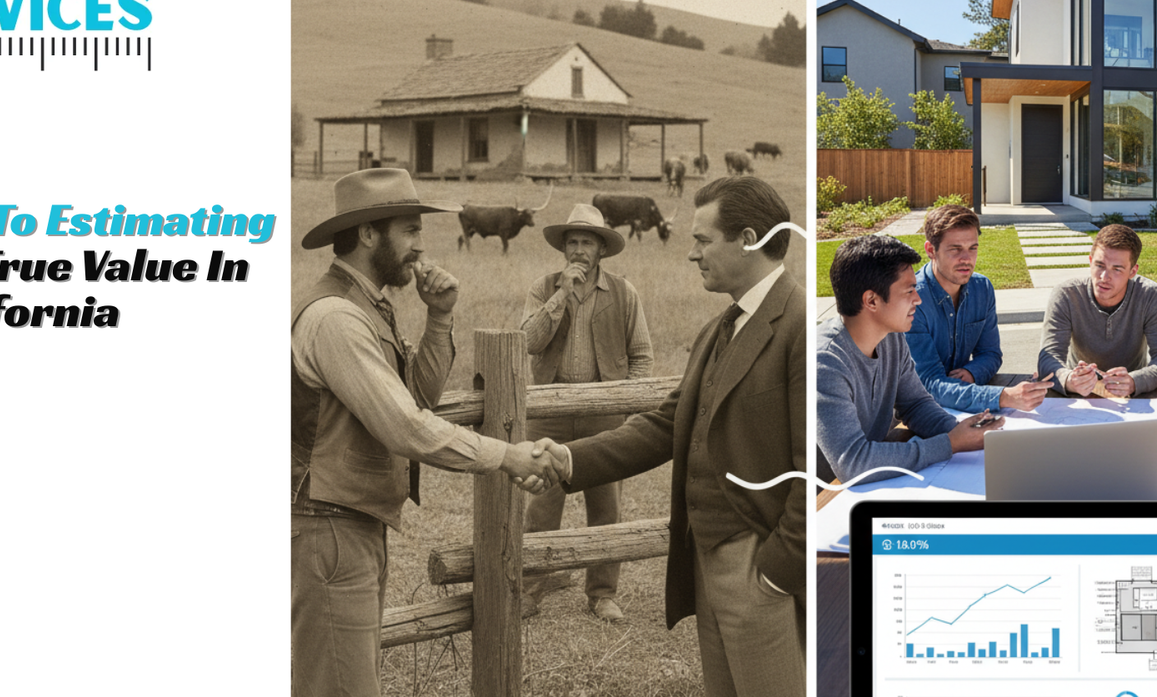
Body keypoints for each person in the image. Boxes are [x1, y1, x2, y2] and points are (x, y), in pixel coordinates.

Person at [528, 176, 805, 696]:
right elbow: (663, 426)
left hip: (758, 566)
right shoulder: (721, 328)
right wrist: (566, 458)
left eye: (703, 241)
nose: (692, 255)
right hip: (707, 560)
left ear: (747, 239)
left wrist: (775, 572)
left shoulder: (799, 326)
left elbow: (814, 470)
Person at [290, 168, 556, 697]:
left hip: (350, 522)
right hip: (329, 527)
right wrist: (507, 456)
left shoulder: (368, 305)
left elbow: (416, 399)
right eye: (410, 230)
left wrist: (439, 317)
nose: (420, 246)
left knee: (342, 679)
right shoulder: (337, 319)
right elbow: (405, 426)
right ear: (369, 233)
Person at [520, 204, 653, 623]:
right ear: (564, 248)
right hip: (549, 412)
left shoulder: (623, 292)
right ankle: (529, 591)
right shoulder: (543, 288)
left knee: (606, 510)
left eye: (587, 243)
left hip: (603, 415)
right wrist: (560, 295)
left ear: (601, 251)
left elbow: (642, 357)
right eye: (573, 242)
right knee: (541, 507)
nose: (579, 250)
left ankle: (602, 594)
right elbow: (528, 342)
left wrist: (625, 409)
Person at [817, 234, 1000, 487]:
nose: (918, 299)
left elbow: (915, 404)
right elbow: (852, 462)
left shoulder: (891, 336)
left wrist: (966, 431)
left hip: (874, 483)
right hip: (823, 500)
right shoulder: (825, 363)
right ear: (871, 300)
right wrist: (950, 443)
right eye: (909, 290)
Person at [905, 204, 1050, 412]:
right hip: (916, 412)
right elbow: (928, 384)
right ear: (931, 250)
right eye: (955, 249)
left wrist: (972, 372)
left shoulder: (982, 288)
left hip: (965, 406)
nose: (967, 259)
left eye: (973, 248)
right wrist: (1003, 397)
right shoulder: (913, 299)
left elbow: (991, 353)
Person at [1039, 224, 1157, 398]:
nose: (1104, 277)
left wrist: (1136, 381)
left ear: (1132, 271)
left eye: (1117, 269)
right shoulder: (1067, 295)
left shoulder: (1150, 295)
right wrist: (1069, 380)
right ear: (1090, 261)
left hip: (1132, 395)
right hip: (1079, 392)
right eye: (1099, 265)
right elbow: (1048, 356)